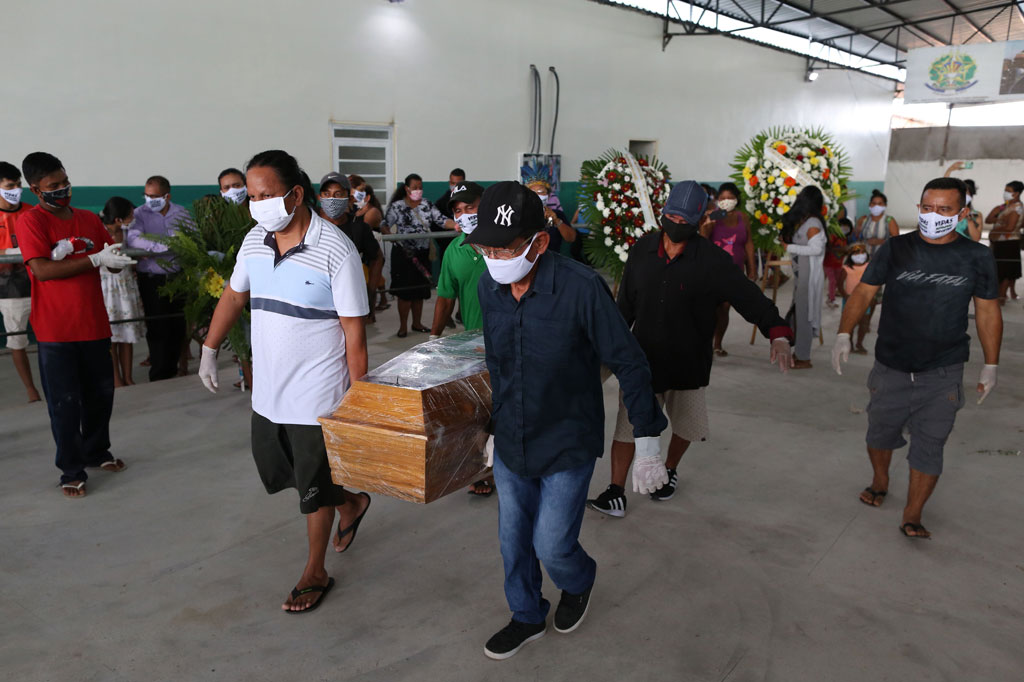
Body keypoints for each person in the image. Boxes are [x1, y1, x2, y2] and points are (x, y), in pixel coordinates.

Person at [465, 181, 667, 660]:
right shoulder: (489, 286)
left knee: (553, 545)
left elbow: (630, 362)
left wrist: (647, 439)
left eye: (506, 248)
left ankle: (579, 581)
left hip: (566, 439)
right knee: (513, 542)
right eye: (488, 248)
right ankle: (527, 614)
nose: (495, 258)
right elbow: (497, 363)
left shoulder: (581, 289)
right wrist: (494, 427)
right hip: (514, 437)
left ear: (538, 241)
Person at [199, 150, 372, 612]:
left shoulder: (336, 249)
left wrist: (360, 403)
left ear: (295, 194)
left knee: (312, 484)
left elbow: (354, 332)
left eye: (267, 195)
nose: (257, 205)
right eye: (252, 197)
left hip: (319, 392)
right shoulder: (255, 240)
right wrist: (209, 348)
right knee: (288, 471)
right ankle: (351, 503)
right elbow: (235, 295)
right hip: (269, 390)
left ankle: (315, 570)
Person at [587, 181, 793, 518]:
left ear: (699, 222)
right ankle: (616, 490)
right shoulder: (642, 250)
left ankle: (668, 469)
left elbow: (747, 296)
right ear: (663, 213)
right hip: (643, 361)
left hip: (688, 361)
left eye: (685, 222)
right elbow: (623, 306)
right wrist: (607, 346)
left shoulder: (712, 261)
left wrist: (778, 333)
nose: (675, 225)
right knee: (627, 425)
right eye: (671, 217)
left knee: (686, 426)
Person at [833, 177, 1002, 539]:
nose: (933, 215)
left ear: (962, 213)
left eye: (944, 209)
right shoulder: (896, 248)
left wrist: (991, 364)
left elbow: (987, 311)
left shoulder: (976, 256)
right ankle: (880, 479)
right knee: (879, 433)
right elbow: (864, 292)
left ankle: (912, 513)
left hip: (942, 369)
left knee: (931, 444)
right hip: (891, 364)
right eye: (927, 208)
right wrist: (844, 332)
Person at [17, 151, 133, 497]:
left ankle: (97, 451)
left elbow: (106, 258)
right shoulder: (32, 222)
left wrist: (114, 260)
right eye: (54, 186)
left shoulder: (87, 218)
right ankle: (71, 468)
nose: (63, 189)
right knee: (65, 404)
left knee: (100, 396)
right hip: (56, 330)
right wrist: (95, 258)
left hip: (94, 322)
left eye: (65, 181)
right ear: (36, 190)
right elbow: (41, 269)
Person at [426, 181, 493, 496]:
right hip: (475, 344)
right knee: (478, 411)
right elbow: (445, 297)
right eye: (458, 211)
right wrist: (434, 335)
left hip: (516, 339)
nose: (465, 215)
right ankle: (481, 470)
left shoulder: (508, 241)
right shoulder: (455, 251)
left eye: (471, 207)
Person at [124, 174, 192, 381]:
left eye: (154, 196)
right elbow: (134, 239)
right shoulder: (139, 214)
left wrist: (157, 246)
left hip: (178, 277)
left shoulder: (181, 213)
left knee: (177, 325)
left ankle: (173, 368)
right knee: (157, 328)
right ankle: (159, 373)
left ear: (167, 196)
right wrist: (163, 246)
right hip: (152, 278)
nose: (149, 200)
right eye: (146, 195)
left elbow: (190, 238)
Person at [382, 173, 456, 337]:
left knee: (419, 291)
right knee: (404, 293)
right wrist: (391, 236)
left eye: (420, 187)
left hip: (422, 253)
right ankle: (403, 326)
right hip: (403, 254)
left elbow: (442, 220)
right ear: (407, 188)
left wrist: (457, 225)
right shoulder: (398, 206)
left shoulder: (427, 205)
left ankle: (417, 323)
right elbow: (385, 224)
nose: (418, 190)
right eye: (415, 187)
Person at [0, 160, 41, 402]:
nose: (15, 189)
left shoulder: (31, 211)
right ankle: (30, 389)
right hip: (8, 291)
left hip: (40, 283)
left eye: (18, 184)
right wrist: (14, 251)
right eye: (9, 185)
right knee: (17, 341)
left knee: (50, 337)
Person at [318, 172, 383, 324]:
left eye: (338, 194)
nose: (332, 199)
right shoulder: (310, 225)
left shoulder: (358, 227)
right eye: (326, 194)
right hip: (317, 300)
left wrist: (370, 293)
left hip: (348, 302)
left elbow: (377, 257)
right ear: (319, 197)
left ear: (350, 198)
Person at [98, 197, 147, 387]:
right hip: (108, 288)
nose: (133, 217)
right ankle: (116, 378)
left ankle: (127, 376)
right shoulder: (100, 232)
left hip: (126, 286)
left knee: (127, 335)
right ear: (118, 219)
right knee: (112, 336)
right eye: (130, 215)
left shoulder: (127, 232)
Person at [706, 182, 755, 356]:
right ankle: (705, 342)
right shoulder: (713, 215)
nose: (726, 201)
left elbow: (748, 243)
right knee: (710, 309)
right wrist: (708, 222)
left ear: (737, 199)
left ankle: (717, 343)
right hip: (712, 272)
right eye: (723, 198)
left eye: (730, 198)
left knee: (725, 308)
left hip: (734, 272)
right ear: (717, 200)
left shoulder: (743, 217)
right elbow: (703, 238)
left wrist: (752, 268)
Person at [781, 186, 826, 369]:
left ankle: (804, 357)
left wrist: (788, 248)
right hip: (802, 276)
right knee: (799, 313)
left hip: (809, 278)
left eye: (800, 197)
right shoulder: (807, 221)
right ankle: (799, 351)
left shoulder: (813, 223)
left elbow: (816, 250)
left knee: (805, 316)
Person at [349, 175, 389, 312]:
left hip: (371, 252)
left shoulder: (372, 211)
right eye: (356, 190)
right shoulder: (355, 210)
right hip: (362, 254)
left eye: (361, 191)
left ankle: (372, 310)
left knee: (373, 281)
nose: (357, 194)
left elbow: (361, 232)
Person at [985, 180, 1023, 304]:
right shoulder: (1004, 206)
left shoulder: (1018, 208)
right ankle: (999, 295)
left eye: (1009, 191)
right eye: (1005, 190)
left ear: (1016, 193)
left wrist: (997, 228)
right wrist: (1000, 221)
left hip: (1009, 242)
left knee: (1006, 270)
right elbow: (989, 219)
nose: (1005, 193)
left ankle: (1001, 296)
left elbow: (1010, 227)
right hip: (999, 242)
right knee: (999, 269)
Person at [836, 242, 874, 354]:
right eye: (857, 253)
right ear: (850, 255)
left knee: (864, 322)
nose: (860, 255)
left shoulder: (869, 267)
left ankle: (859, 343)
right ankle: (850, 344)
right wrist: (845, 296)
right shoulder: (847, 268)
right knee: (850, 323)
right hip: (849, 299)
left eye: (863, 253)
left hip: (864, 299)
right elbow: (839, 284)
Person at [524, 176, 576, 253]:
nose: (537, 195)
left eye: (541, 192)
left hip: (552, 259)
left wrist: (556, 220)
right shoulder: (521, 215)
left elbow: (571, 238)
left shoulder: (557, 214)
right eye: (533, 192)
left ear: (548, 196)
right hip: (528, 259)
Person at [854, 189, 899, 256]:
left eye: (880, 204)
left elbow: (896, 241)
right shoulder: (863, 219)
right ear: (869, 204)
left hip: (882, 258)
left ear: (885, 205)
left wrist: (881, 241)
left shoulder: (889, 220)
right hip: (864, 258)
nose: (876, 206)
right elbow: (856, 238)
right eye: (873, 203)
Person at [943, 163, 982, 241]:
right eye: (961, 193)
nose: (963, 195)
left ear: (971, 196)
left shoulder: (976, 215)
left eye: (966, 193)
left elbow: (976, 239)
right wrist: (950, 170)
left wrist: (969, 220)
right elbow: (944, 189)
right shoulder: (949, 210)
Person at [824, 217, 851, 308]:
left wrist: (847, 250)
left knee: (836, 281)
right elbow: (828, 248)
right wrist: (841, 249)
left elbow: (844, 250)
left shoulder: (844, 238)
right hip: (828, 263)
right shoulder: (833, 236)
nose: (845, 229)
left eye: (847, 227)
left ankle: (830, 297)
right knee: (832, 281)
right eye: (843, 226)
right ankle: (832, 300)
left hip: (838, 264)